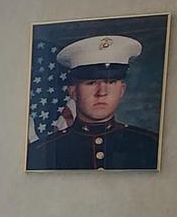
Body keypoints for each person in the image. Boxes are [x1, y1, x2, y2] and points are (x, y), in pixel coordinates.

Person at [27, 34, 159, 170]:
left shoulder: (152, 144)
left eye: (111, 82)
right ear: (73, 92)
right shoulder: (41, 152)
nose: (102, 92)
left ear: (121, 90)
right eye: (91, 83)